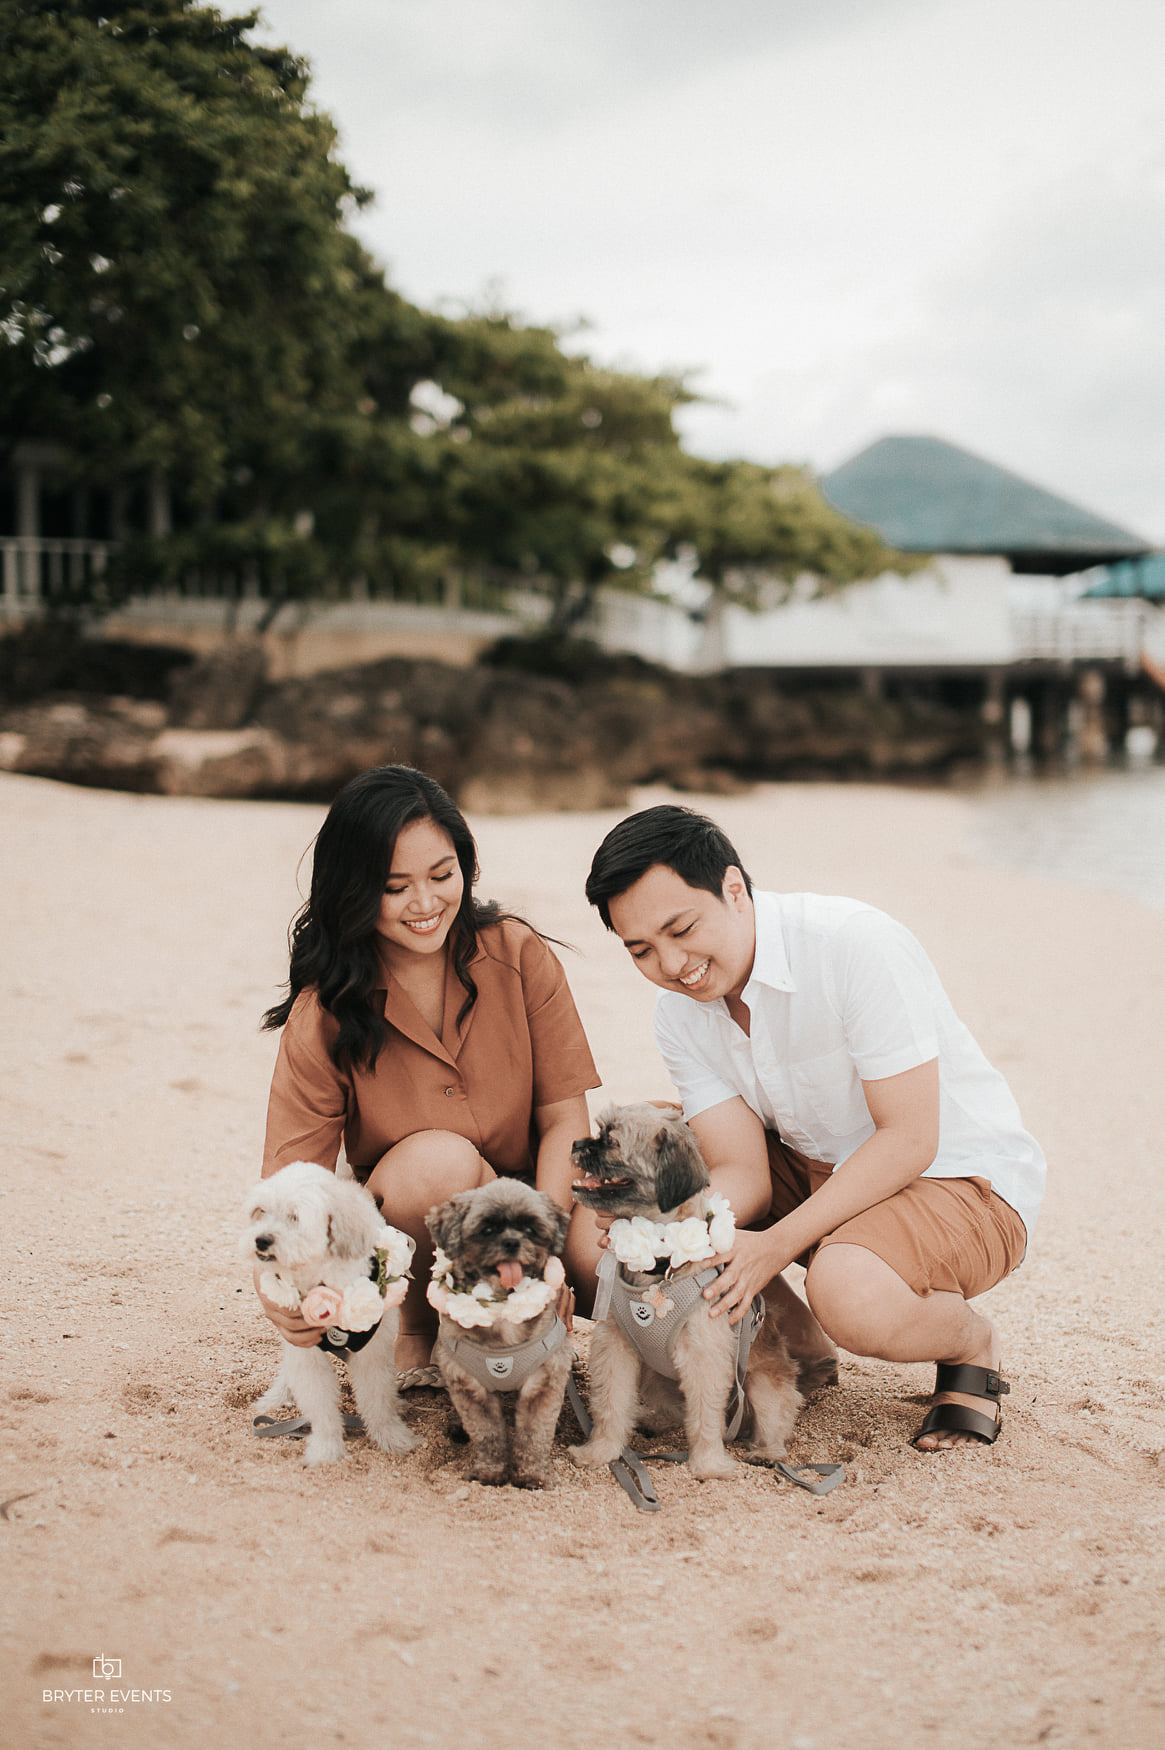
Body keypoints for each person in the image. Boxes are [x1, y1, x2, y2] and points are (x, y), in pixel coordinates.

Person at [583, 803, 1046, 1451]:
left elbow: (910, 1138)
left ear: (734, 889)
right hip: (816, 1171)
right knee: (641, 1187)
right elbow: (742, 1173)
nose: (672, 962)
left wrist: (772, 1247)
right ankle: (795, 1343)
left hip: (958, 1179)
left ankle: (971, 1343)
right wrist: (665, 1224)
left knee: (848, 1292)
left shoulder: (853, 944)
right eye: (641, 950)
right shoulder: (679, 1014)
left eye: (681, 928)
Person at [259, 764, 603, 1385]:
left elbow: (566, 1123)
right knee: (437, 1163)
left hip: (538, 1203)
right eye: (395, 888)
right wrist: (278, 1293)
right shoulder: (324, 1012)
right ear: (353, 890)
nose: (425, 904)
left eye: (442, 876)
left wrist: (543, 1254)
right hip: (411, 1229)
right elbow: (290, 1180)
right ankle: (418, 1332)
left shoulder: (518, 952)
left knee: (625, 1256)